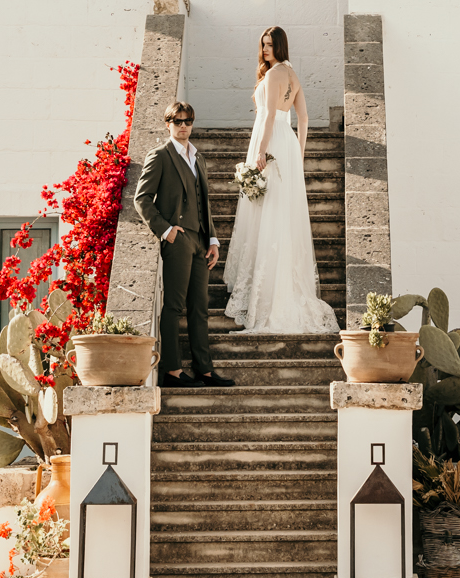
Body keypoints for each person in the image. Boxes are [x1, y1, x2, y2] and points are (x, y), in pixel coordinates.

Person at [222, 27, 339, 334]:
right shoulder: (293, 74)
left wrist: (261, 151)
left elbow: (270, 115)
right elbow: (303, 119)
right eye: (262, 45)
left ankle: (267, 295)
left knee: (267, 208)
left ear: (280, 46)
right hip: (286, 143)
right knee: (277, 209)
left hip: (272, 140)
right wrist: (298, 157)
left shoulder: (275, 74)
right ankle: (279, 285)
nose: (265, 50)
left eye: (270, 45)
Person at [132, 99, 235, 389]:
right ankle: (172, 371)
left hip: (200, 241)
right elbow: (141, 199)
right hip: (177, 239)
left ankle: (204, 369)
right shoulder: (160, 155)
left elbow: (205, 202)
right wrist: (166, 231)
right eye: (177, 121)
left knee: (199, 307)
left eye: (187, 121)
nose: (183, 126)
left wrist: (212, 239)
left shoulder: (197, 157)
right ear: (168, 124)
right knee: (174, 306)